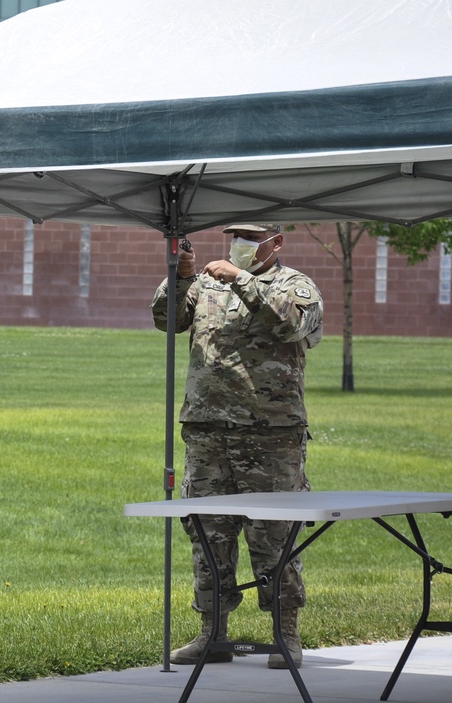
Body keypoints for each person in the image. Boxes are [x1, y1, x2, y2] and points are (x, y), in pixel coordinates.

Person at [151, 223, 323, 669]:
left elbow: (290, 324)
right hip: (207, 431)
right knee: (208, 533)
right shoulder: (208, 282)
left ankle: (286, 635)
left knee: (274, 535)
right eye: (235, 237)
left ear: (276, 243)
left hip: (270, 435)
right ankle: (212, 633)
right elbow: (166, 319)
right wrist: (183, 275)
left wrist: (242, 279)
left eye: (250, 238)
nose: (240, 245)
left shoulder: (295, 285)